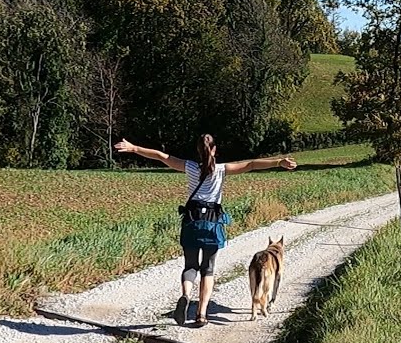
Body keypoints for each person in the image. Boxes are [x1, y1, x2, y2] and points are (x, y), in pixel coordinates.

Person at [113, 134, 297, 327]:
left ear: (198, 151)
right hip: (212, 224)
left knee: (190, 266)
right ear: (215, 150)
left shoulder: (190, 167)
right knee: (207, 270)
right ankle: (201, 314)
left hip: (192, 222)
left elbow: (161, 156)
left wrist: (134, 148)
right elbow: (251, 164)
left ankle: (185, 294)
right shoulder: (221, 170)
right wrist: (278, 162)